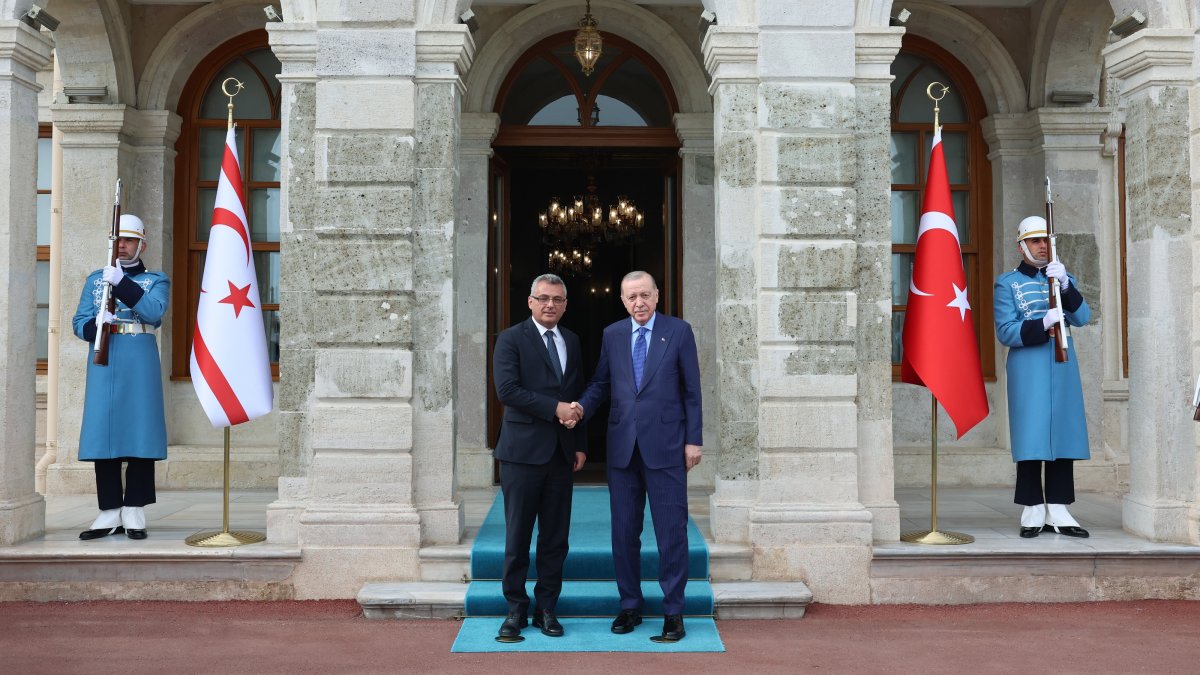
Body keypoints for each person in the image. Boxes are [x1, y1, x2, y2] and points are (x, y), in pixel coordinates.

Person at [571, 271, 702, 643]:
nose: (638, 303)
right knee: (624, 533)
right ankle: (630, 604)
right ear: (623, 300)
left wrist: (694, 441)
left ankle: (673, 612)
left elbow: (692, 390)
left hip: (667, 448)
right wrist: (580, 407)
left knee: (671, 533)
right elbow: (601, 383)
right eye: (631, 297)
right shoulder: (613, 334)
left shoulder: (678, 331)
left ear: (657, 296)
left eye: (645, 295)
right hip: (623, 450)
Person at [491, 273, 587, 640]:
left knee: (555, 539)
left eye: (557, 299)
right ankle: (515, 610)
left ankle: (547, 608)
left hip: (561, 455)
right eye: (543, 298)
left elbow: (576, 391)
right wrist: (556, 408)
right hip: (521, 454)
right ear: (530, 301)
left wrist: (579, 443)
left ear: (565, 304)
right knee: (517, 537)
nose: (550, 305)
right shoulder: (511, 339)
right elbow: (508, 390)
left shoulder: (573, 341)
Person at [72, 214, 170, 541]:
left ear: (142, 243)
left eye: (129, 240)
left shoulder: (156, 279)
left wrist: (122, 284)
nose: (123, 245)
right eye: (119, 240)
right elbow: (79, 323)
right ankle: (109, 509)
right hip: (106, 355)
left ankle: (135, 508)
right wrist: (97, 321)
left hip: (138, 357)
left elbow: (154, 313)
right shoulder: (95, 280)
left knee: (140, 430)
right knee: (104, 432)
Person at [993, 216, 1091, 539]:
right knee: (1032, 435)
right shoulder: (1007, 283)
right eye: (1035, 241)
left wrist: (1066, 285)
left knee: (1063, 432)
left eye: (1046, 240)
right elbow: (1006, 330)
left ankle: (1060, 508)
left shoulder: (1062, 277)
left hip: (1061, 364)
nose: (1042, 246)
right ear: (1022, 246)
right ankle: (1033, 508)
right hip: (1029, 366)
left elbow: (1083, 316)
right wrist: (1041, 324)